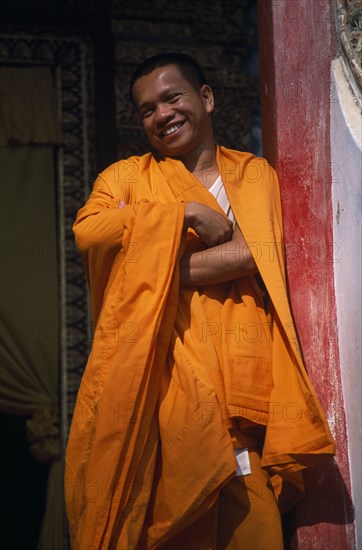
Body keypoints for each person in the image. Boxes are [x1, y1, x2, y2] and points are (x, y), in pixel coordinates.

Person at [65, 53, 335, 549]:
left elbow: (254, 255)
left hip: (242, 417)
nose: (161, 115)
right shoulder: (125, 176)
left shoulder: (252, 175)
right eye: (147, 110)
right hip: (160, 418)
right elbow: (89, 233)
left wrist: (145, 266)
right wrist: (185, 213)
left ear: (206, 98)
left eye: (172, 98)